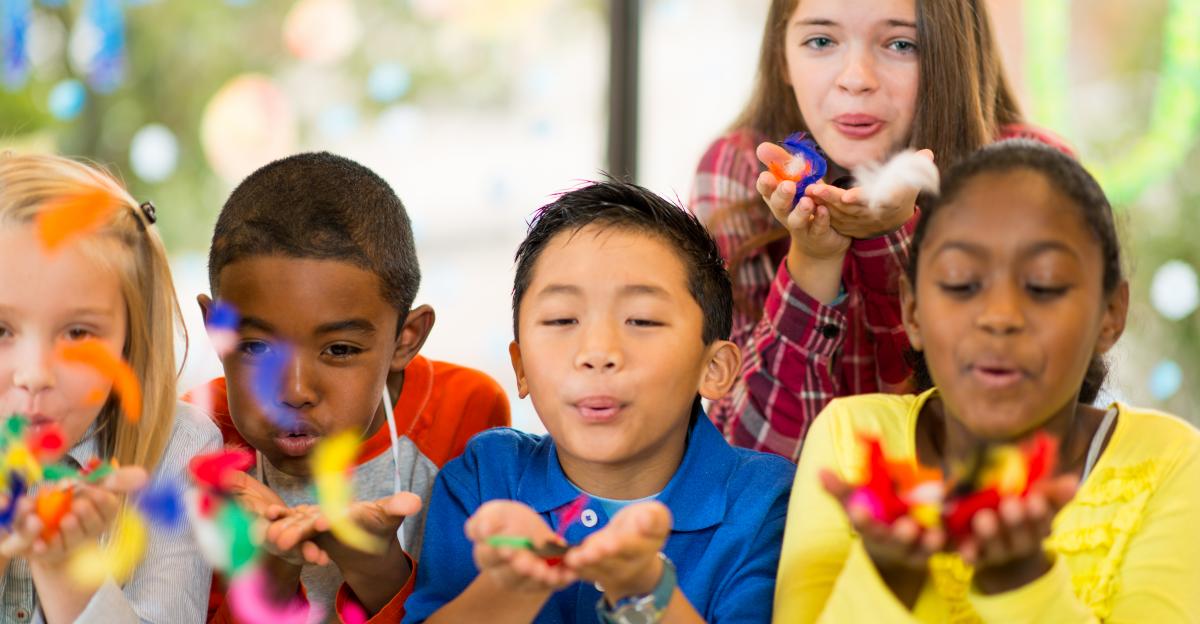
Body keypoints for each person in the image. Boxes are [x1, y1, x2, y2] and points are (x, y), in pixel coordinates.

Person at [775, 141, 1200, 621]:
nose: (1000, 317)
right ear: (912, 310)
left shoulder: (1170, 460)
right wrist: (888, 573)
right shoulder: (852, 437)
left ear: (1110, 315)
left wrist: (1022, 583)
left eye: (1043, 285)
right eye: (961, 283)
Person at [692, 0, 1072, 459]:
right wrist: (813, 260)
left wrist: (888, 241)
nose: (856, 78)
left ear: (952, 54)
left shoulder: (1029, 175)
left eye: (900, 44)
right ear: (782, 56)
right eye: (821, 41)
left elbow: (1001, 435)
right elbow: (752, 461)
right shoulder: (739, 170)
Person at [404, 181, 795, 623]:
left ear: (714, 368)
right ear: (522, 368)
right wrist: (509, 588)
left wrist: (644, 588)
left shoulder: (765, 502)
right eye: (562, 319)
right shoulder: (484, 479)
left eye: (642, 320)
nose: (597, 351)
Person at [185, 152, 510, 622]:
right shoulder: (198, 437)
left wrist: (377, 566)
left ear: (406, 339)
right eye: (256, 348)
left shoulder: (466, 414)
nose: (294, 391)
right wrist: (274, 566)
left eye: (338, 350)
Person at [0, 152, 221, 623]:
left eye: (78, 333)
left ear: (130, 339)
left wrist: (66, 570)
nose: (35, 373)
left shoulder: (179, 446)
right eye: (1, 331)